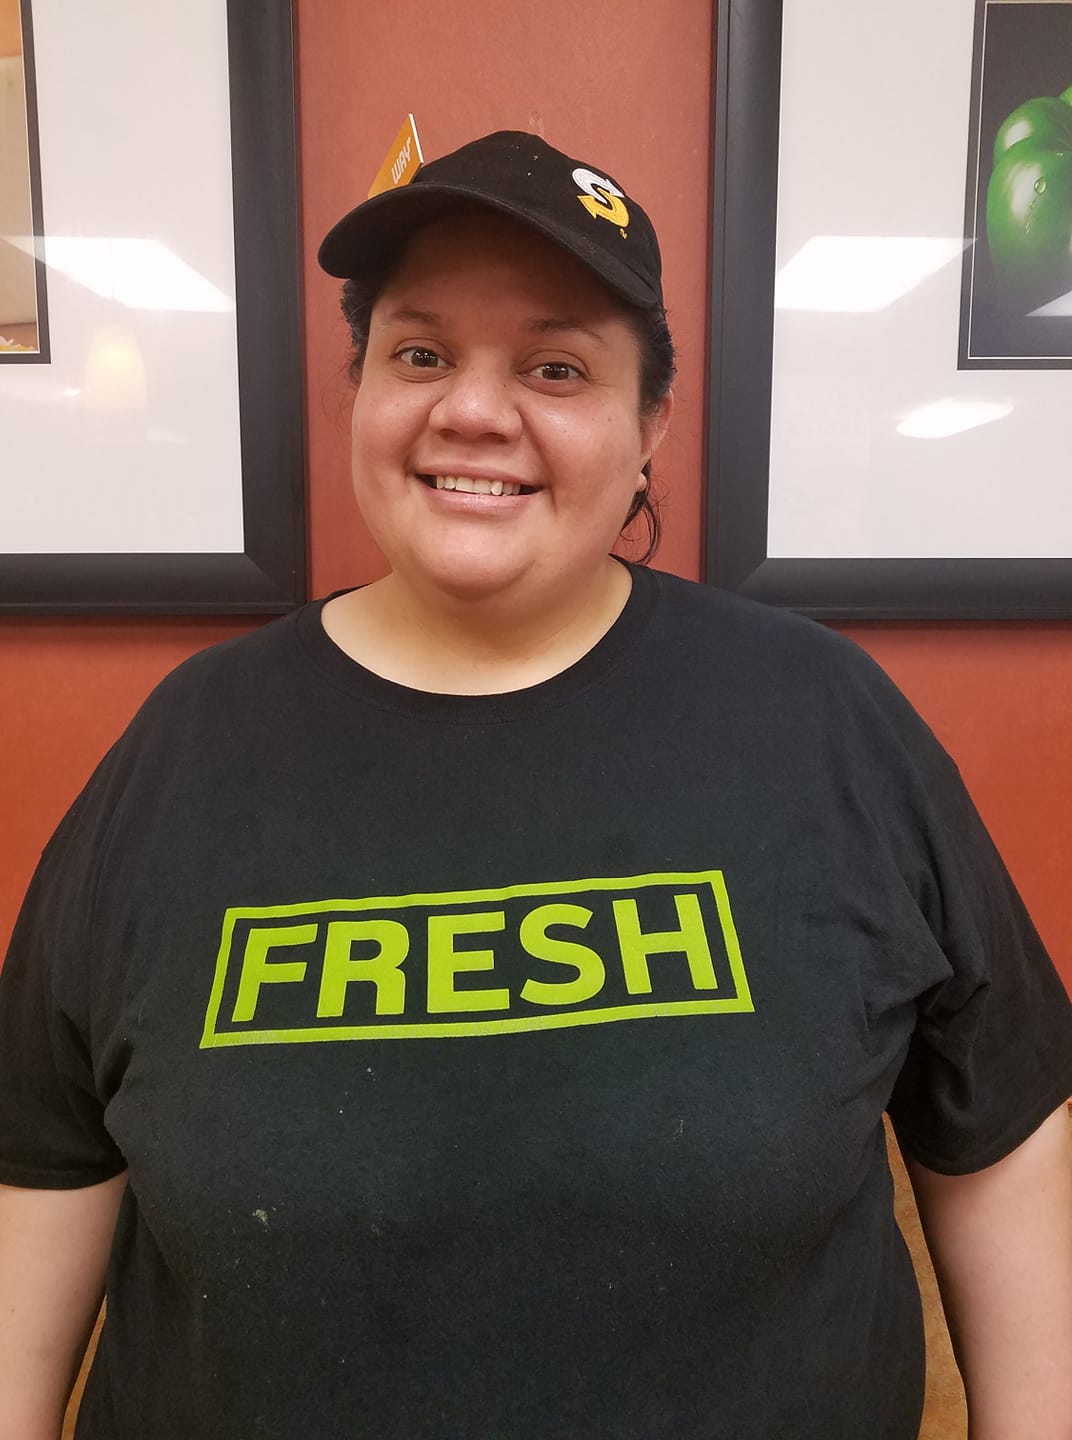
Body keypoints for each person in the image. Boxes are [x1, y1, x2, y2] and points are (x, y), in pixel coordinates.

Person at [0, 130, 1070, 1440]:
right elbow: (38, 1163)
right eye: (420, 354)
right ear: (360, 387)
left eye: (555, 367)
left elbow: (1002, 1127)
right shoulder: (185, 746)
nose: (472, 410)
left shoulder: (825, 718)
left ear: (650, 424)